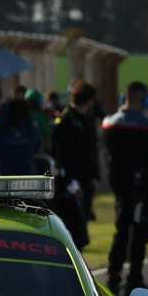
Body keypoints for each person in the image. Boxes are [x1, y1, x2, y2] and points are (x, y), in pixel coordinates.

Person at [102, 83, 148, 291]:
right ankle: (134, 277)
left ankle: (113, 276)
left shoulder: (109, 123)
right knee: (139, 233)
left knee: (121, 231)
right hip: (143, 185)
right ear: (142, 99)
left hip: (120, 185)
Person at [48, 81, 103, 249]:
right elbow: (60, 156)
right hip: (70, 183)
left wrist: (94, 177)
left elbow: (91, 151)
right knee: (73, 231)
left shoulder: (87, 120)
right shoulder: (65, 121)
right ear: (88, 100)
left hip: (85, 179)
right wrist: (72, 183)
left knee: (82, 229)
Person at [0, 95, 42, 176]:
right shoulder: (32, 129)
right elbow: (37, 149)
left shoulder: (0, 127)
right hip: (27, 173)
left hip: (4, 173)